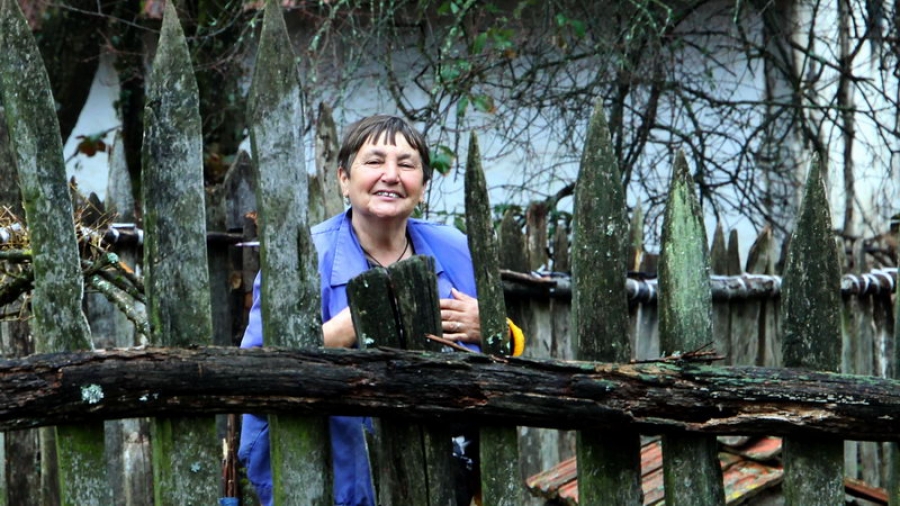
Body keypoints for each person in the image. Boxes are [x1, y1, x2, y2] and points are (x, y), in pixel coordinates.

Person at [239, 115, 484, 506]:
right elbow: (254, 374)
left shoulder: (454, 248)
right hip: (328, 485)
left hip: (440, 481)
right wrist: (352, 324)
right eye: (374, 161)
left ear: (423, 186)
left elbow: (499, 353)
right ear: (343, 179)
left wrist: (494, 329)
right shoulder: (304, 259)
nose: (391, 175)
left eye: (406, 164)